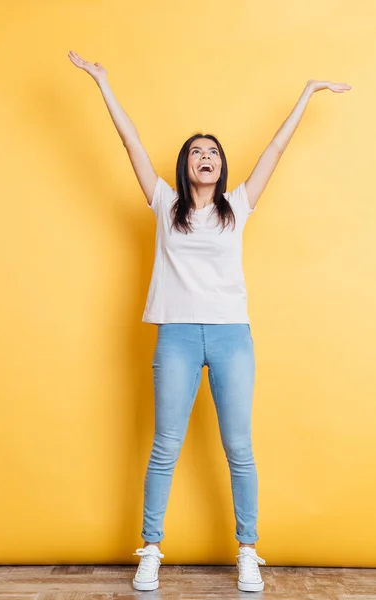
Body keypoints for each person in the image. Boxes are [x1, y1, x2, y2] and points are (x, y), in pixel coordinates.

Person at [68, 50, 352, 592]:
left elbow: (274, 148)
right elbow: (129, 142)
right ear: (185, 164)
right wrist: (103, 83)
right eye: (197, 152)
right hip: (176, 336)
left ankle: (249, 550)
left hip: (230, 338)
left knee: (239, 448)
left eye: (214, 152)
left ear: (221, 167)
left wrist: (308, 92)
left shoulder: (239, 205)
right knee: (165, 446)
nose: (207, 157)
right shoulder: (163, 202)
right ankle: (150, 549)